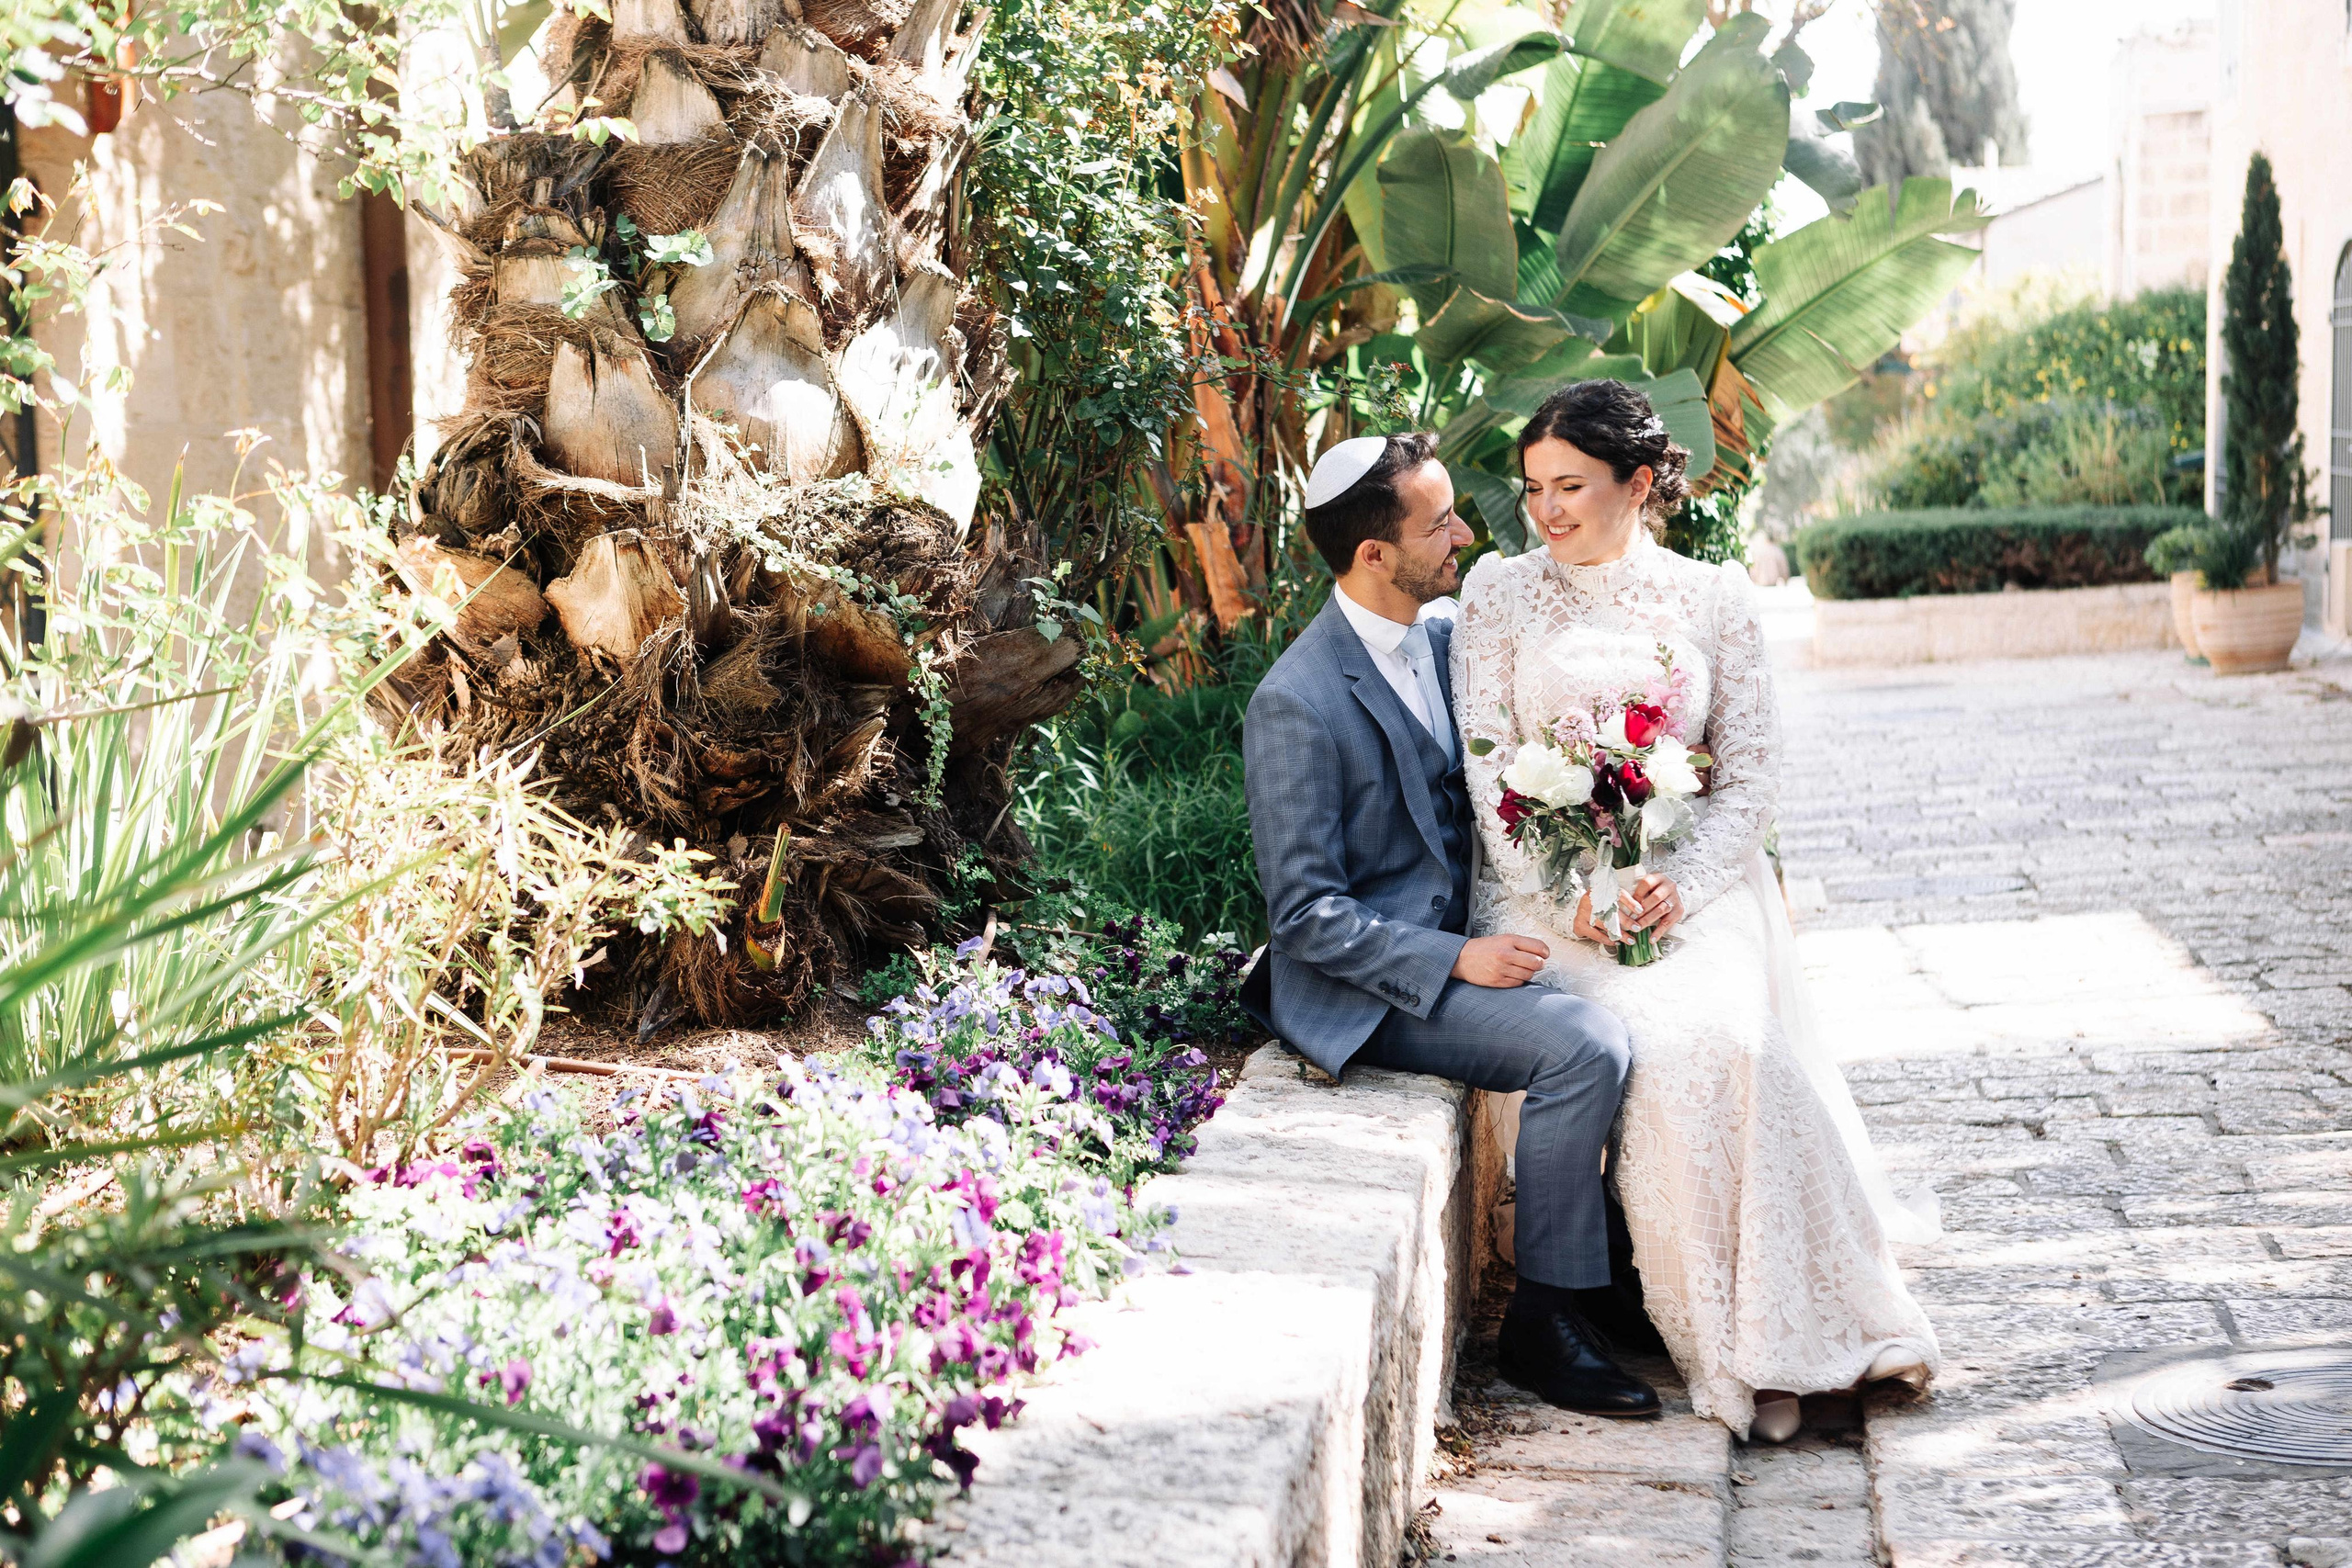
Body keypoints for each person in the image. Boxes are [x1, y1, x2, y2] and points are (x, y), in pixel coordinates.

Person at [1451, 379, 1940, 1442]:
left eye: (1570, 486)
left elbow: (1751, 775)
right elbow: (1488, 765)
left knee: (1728, 1038)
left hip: (1692, 886)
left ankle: (1796, 1321)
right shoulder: (1499, 594)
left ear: (1637, 483)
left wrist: (1683, 884)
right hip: (1547, 891)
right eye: (1533, 487)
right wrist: (1569, 891)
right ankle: (1718, 1341)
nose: (1547, 510)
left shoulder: (1713, 596)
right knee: (1661, 1045)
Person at [1238, 431, 1657, 1419]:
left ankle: (1616, 1280)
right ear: (1374, 555)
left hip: (1486, 934)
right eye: (1441, 523)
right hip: (1367, 986)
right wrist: (1455, 956)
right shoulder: (1293, 702)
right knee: (1581, 1045)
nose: (1466, 533)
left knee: (1650, 997)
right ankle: (1545, 1321)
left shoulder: (1443, 636)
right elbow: (1302, 915)